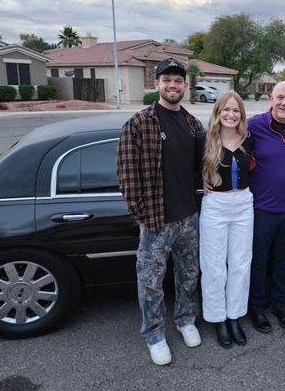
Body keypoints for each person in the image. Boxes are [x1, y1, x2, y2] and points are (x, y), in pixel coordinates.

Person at [116, 58, 204, 366]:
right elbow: (127, 175)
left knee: (189, 274)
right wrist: (141, 215)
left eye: (178, 80)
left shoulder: (193, 123)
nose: (172, 84)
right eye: (166, 79)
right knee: (151, 281)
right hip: (156, 220)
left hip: (190, 217)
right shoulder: (140, 123)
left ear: (185, 85)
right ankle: (154, 335)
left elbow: (200, 169)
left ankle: (185, 320)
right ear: (156, 84)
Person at [248, 81, 285, 333]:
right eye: (280, 97)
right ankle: (257, 307)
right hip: (261, 209)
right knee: (259, 261)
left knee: (284, 261)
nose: (284, 103)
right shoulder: (253, 125)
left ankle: (281, 305)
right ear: (270, 98)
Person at [199, 91, 254, 348]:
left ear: (241, 115)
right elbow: (188, 167)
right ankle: (217, 318)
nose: (231, 115)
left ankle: (234, 316)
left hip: (243, 204)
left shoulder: (249, 139)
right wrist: (199, 181)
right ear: (218, 112)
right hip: (215, 206)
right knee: (214, 266)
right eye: (226, 110)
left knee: (241, 264)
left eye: (236, 111)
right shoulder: (205, 139)